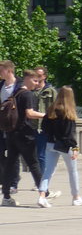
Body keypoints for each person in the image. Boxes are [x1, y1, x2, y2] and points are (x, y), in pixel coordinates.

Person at [1, 70, 48, 207]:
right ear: (27, 79)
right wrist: (47, 115)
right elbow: (30, 113)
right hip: (25, 134)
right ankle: (45, 192)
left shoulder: (15, 93)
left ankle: (6, 196)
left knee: (10, 164)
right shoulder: (28, 94)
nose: (37, 83)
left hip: (11, 133)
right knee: (33, 164)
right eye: (34, 80)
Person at [39, 85, 82, 206]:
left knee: (48, 171)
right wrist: (75, 148)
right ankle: (76, 197)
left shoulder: (51, 110)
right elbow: (69, 134)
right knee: (72, 171)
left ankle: (42, 195)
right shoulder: (68, 112)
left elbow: (44, 127)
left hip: (50, 143)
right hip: (65, 146)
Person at [0, 60, 19, 196]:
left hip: (14, 125)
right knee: (0, 154)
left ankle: (13, 183)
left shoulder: (19, 86)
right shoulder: (1, 85)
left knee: (13, 154)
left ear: (9, 70)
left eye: (1, 70)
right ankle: (3, 181)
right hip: (1, 124)